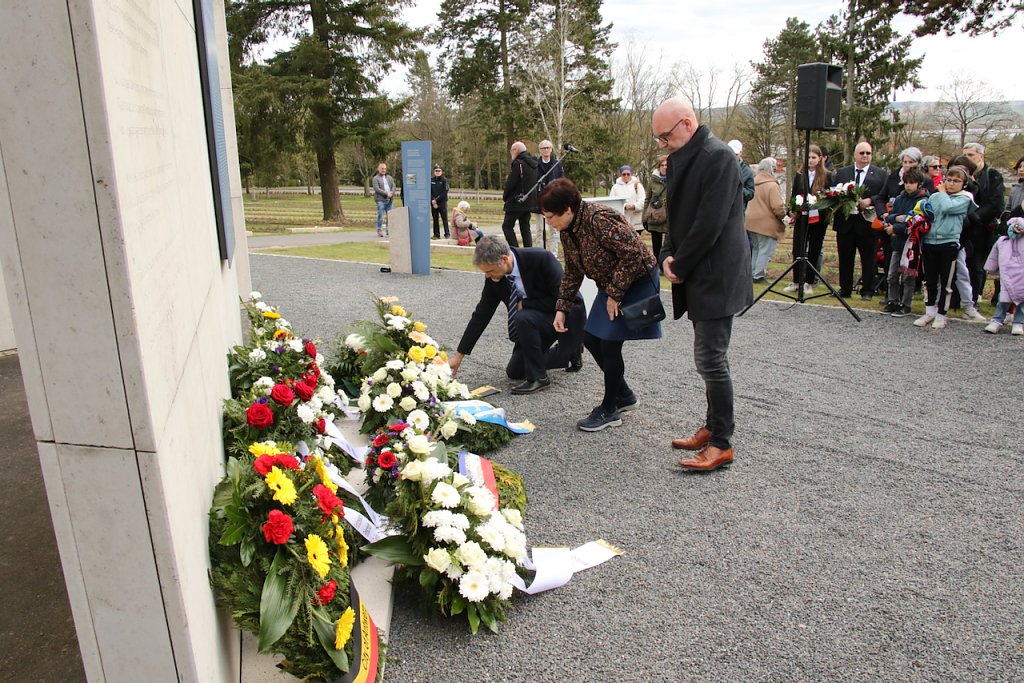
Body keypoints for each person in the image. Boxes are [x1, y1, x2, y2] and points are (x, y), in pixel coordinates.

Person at [652, 97, 752, 472]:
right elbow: (676, 216)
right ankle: (711, 427)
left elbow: (709, 223)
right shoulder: (686, 157)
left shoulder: (718, 157)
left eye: (665, 135)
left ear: (687, 123)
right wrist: (667, 253)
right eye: (659, 138)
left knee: (711, 359)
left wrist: (680, 263)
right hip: (699, 271)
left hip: (717, 275)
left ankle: (722, 442)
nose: (662, 144)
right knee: (708, 357)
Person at [540, 179, 660, 431]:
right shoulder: (568, 230)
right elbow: (573, 271)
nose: (549, 222)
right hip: (611, 283)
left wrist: (615, 294)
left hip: (635, 280)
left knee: (609, 342)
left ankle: (610, 409)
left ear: (568, 210)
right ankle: (624, 395)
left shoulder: (599, 219)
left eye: (550, 217)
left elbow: (633, 253)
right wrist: (562, 307)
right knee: (591, 338)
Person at [449, 236, 585, 394]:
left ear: (504, 259)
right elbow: (481, 316)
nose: (487, 276)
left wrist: (526, 304)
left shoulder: (541, 258)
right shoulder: (495, 278)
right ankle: (567, 354)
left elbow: (566, 299)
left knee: (523, 317)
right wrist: (458, 356)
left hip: (563, 317)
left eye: (490, 271)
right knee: (515, 371)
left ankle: (539, 378)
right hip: (532, 323)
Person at [913, 166, 977, 330]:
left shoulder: (965, 198)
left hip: (948, 243)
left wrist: (941, 193)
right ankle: (930, 311)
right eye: (949, 180)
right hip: (929, 242)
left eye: (956, 181)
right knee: (930, 280)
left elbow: (949, 207)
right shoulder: (935, 196)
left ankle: (942, 314)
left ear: (963, 184)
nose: (951, 184)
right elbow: (927, 212)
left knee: (946, 282)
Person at [832, 141, 887, 299]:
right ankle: (845, 288)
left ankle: (868, 290)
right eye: (862, 153)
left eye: (868, 153)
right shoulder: (842, 173)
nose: (865, 156)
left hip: (867, 224)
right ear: (855, 155)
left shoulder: (880, 175)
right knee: (845, 258)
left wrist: (870, 200)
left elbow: (883, 195)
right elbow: (833, 192)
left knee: (869, 259)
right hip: (846, 223)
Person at [783, 144, 832, 295]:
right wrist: (791, 211)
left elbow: (829, 198)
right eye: (808, 157)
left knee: (814, 250)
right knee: (798, 249)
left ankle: (809, 283)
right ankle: (796, 281)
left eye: (813, 157)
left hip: (818, 219)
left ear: (820, 158)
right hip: (802, 218)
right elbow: (794, 195)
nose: (810, 160)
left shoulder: (827, 175)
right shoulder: (800, 175)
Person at [881, 166, 929, 317]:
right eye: (906, 182)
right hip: (897, 244)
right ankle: (892, 301)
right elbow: (890, 215)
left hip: (912, 244)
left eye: (911, 182)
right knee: (892, 275)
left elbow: (915, 221)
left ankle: (906, 304)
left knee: (908, 276)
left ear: (919, 184)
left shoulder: (923, 201)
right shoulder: (900, 198)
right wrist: (896, 218)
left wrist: (896, 227)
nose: (908, 185)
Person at [962, 142, 1005, 303]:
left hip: (982, 227)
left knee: (977, 265)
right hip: (963, 227)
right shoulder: (961, 175)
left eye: (970, 155)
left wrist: (973, 217)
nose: (967, 158)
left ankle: (975, 297)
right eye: (965, 155)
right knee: (962, 264)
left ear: (981, 155)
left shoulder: (992, 175)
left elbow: (995, 204)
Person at [745, 157, 787, 284]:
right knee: (765, 250)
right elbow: (777, 206)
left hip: (750, 221)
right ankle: (758, 275)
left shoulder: (754, 181)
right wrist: (784, 215)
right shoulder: (772, 185)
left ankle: (752, 273)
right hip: (766, 223)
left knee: (756, 249)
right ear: (772, 169)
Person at [983, 217, 1024, 335]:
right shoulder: (1003, 241)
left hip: (1022, 274)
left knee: (1022, 298)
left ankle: (1018, 322)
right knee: (1003, 298)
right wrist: (991, 268)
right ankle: (997, 320)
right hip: (1007, 274)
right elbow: (994, 255)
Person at [501, 141, 540, 248]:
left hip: (516, 201)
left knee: (507, 226)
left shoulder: (518, 164)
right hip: (529, 201)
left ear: (515, 150)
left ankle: (515, 249)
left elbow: (511, 183)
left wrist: (505, 196)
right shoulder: (534, 164)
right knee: (525, 227)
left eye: (511, 151)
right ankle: (528, 250)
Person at [535, 140, 565, 255]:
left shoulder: (557, 164)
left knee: (554, 230)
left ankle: (553, 255)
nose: (546, 150)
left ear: (551, 149)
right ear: (540, 150)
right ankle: (539, 254)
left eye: (548, 148)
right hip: (539, 202)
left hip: (553, 201)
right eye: (543, 148)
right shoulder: (535, 165)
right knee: (539, 230)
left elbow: (561, 180)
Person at [644, 155, 670, 259]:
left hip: (670, 216)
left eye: (667, 165)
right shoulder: (652, 181)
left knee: (669, 245)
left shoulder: (675, 179)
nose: (665, 167)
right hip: (656, 215)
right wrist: (644, 218)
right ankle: (657, 264)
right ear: (659, 167)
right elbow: (647, 199)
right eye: (662, 165)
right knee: (656, 245)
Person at [608, 165, 647, 232]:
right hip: (620, 222)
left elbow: (643, 201)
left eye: (628, 174)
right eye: (624, 174)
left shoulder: (638, 186)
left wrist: (634, 206)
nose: (626, 176)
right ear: (621, 175)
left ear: (631, 174)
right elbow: (612, 203)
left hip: (636, 222)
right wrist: (624, 206)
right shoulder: (615, 188)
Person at [727, 139, 756, 209]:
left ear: (741, 153)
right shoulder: (720, 167)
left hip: (737, 209)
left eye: (736, 154)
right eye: (731, 153)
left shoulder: (747, 171)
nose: (733, 156)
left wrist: (738, 190)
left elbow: (750, 193)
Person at [372, 162, 396, 238]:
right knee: (380, 215)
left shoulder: (389, 177)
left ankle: (389, 231)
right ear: (378, 169)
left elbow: (394, 186)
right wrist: (386, 193)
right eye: (382, 168)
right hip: (380, 200)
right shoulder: (375, 178)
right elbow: (377, 189)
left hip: (390, 200)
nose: (384, 170)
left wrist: (391, 193)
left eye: (385, 168)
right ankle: (379, 230)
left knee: (390, 216)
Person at [430, 165, 450, 239]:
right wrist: (433, 200)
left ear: (441, 172)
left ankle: (447, 234)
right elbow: (429, 191)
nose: (437, 172)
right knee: (435, 219)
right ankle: (436, 234)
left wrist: (436, 200)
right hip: (433, 203)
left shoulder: (444, 180)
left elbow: (445, 191)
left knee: (444, 219)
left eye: (439, 171)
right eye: (436, 171)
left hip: (442, 203)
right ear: (434, 172)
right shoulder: (431, 180)